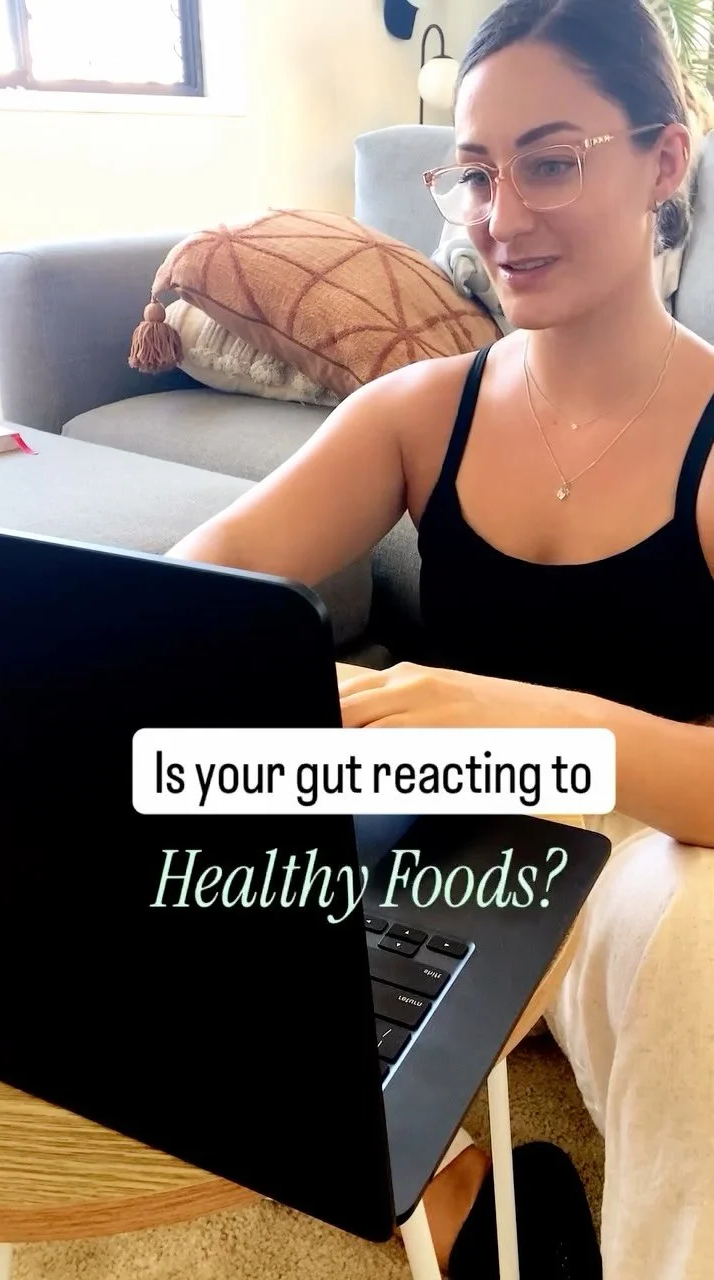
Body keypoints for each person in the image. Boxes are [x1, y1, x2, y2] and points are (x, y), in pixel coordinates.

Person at [167, 0, 714, 1274]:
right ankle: (468, 1185)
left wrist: (526, 723)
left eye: (550, 161)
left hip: (651, 846)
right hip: (448, 830)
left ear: (664, 160)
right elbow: (190, 606)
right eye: (474, 172)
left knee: (702, 950)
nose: (500, 216)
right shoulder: (418, 412)